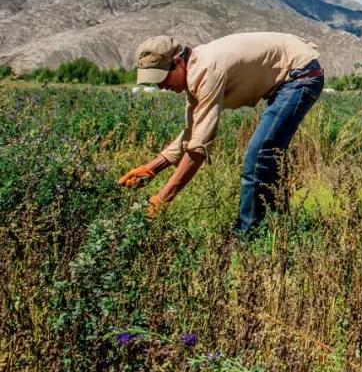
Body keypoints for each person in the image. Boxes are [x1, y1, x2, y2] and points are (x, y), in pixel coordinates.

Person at [117, 32, 324, 234]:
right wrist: (150, 169)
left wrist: (162, 199)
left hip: (301, 75)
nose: (161, 86)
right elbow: (190, 135)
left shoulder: (206, 70)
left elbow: (198, 148)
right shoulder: (194, 77)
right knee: (268, 158)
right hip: (289, 77)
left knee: (259, 153)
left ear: (178, 63)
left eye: (162, 77)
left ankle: (248, 237)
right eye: (155, 81)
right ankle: (278, 228)